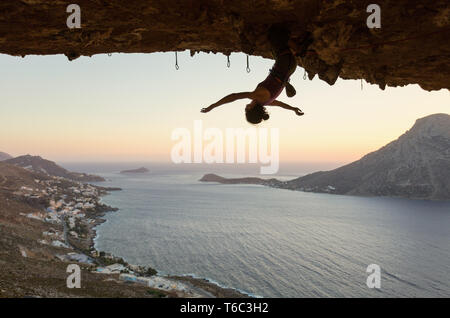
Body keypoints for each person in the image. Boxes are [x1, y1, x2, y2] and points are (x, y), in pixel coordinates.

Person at [201, 25, 311, 124]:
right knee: (274, 34)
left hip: (289, 67)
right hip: (284, 63)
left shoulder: (267, 102)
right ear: (251, 110)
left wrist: (293, 109)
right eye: (247, 111)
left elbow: (281, 104)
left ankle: (297, 48)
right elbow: (233, 96)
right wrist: (213, 106)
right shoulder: (257, 96)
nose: (245, 108)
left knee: (275, 48)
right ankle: (299, 48)